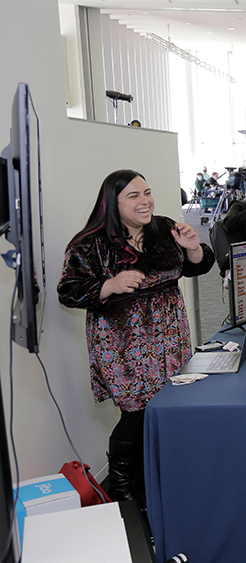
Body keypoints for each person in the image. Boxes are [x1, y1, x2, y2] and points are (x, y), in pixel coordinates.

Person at [57, 170, 215, 507]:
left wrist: (193, 251)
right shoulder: (91, 243)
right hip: (123, 343)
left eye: (148, 193)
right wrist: (108, 285)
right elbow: (68, 291)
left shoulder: (163, 228)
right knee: (136, 413)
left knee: (165, 407)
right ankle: (122, 489)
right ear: (111, 203)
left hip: (170, 335)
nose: (145, 201)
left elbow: (194, 268)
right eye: (133, 196)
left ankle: (152, 478)